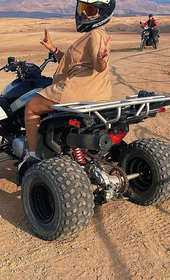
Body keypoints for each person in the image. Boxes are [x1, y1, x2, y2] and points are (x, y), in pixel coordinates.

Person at [21, 0, 115, 168]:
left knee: (32, 106)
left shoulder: (95, 35)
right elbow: (75, 63)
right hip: (99, 94)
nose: (83, 14)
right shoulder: (96, 34)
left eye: (90, 10)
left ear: (102, 13)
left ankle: (32, 154)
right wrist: (53, 49)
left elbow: (98, 65)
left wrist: (101, 60)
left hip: (76, 91)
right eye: (82, 9)